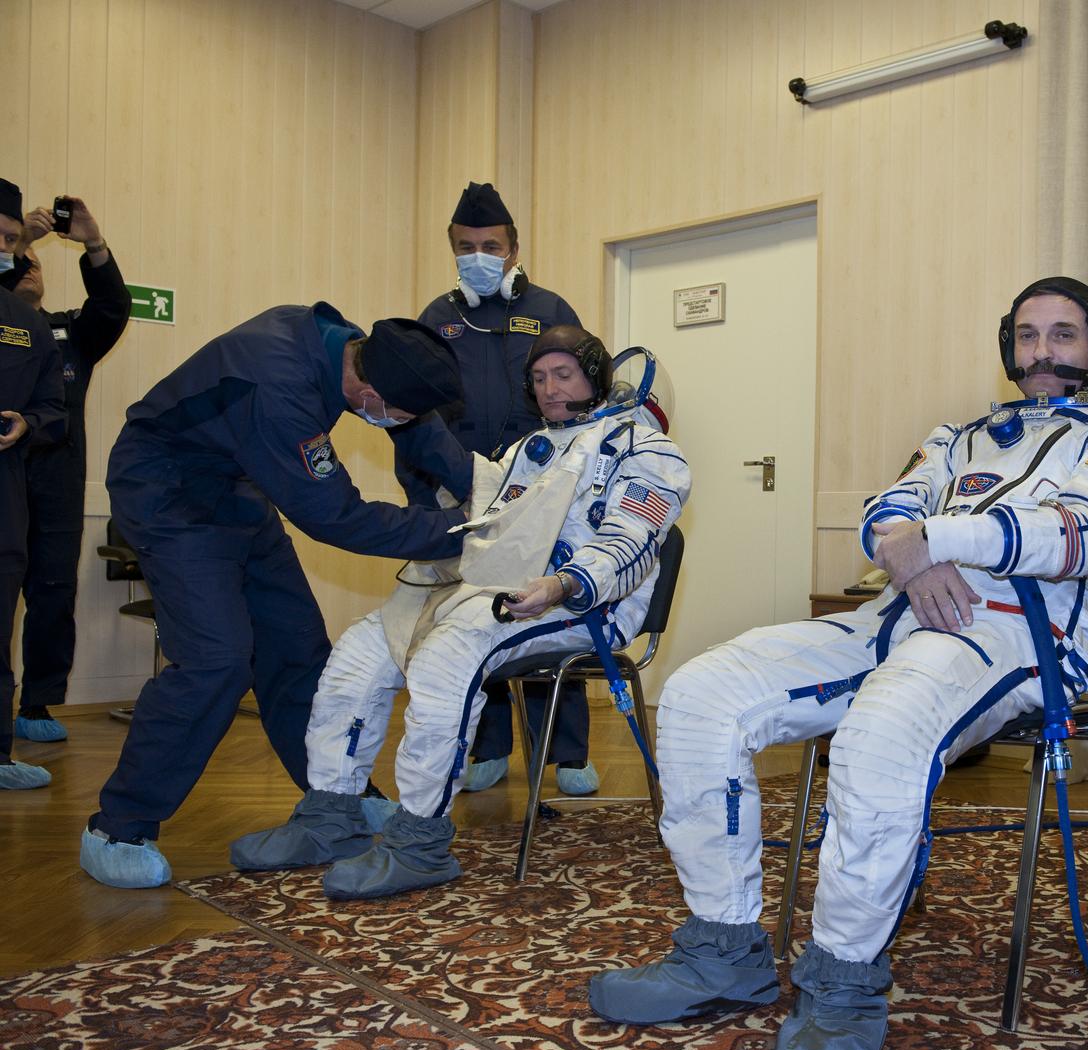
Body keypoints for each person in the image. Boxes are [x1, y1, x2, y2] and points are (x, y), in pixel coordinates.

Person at [588, 278, 1088, 1050]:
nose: (1041, 351)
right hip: (894, 613)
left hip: (1017, 634)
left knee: (880, 729)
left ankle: (842, 981)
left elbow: (1073, 535)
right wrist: (908, 547)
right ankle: (722, 947)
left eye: (1063, 334)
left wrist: (929, 537)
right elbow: (888, 507)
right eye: (1026, 334)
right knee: (699, 694)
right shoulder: (960, 434)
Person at [230, 325, 691, 902]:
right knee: (360, 651)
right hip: (501, 589)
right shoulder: (532, 449)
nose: (549, 389)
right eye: (541, 377)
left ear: (597, 379)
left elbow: (630, 542)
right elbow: (492, 509)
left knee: (448, 659)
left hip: (588, 605)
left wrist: (562, 583)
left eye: (564, 374)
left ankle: (420, 841)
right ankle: (330, 814)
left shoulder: (649, 453)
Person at [80, 305, 473, 889]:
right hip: (168, 494)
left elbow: (423, 429)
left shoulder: (348, 348)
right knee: (217, 660)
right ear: (367, 391)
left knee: (298, 648)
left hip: (238, 487)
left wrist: (488, 494)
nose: (397, 424)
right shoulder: (278, 388)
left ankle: (336, 795)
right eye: (395, 414)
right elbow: (335, 517)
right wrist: (460, 533)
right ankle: (118, 826)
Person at [412, 181, 595, 797]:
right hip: (467, 490)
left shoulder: (549, 308)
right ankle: (489, 746)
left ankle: (566, 754)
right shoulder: (439, 318)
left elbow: (579, 393)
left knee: (547, 611)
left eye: (490, 245)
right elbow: (418, 408)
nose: (478, 255)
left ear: (514, 250)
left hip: (542, 488)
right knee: (480, 613)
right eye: (466, 247)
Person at [10, 196, 130, 743]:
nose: (32, 265)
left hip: (57, 482)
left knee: (54, 592)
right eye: (21, 256)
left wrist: (94, 243)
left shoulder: (68, 333)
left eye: (37, 261)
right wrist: (21, 243)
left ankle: (36, 704)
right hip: (6, 480)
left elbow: (112, 307)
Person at [0, 178, 67, 791]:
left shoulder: (28, 324)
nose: (4, 248)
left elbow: (54, 408)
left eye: (10, 239)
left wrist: (28, 423)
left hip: (5, 496)